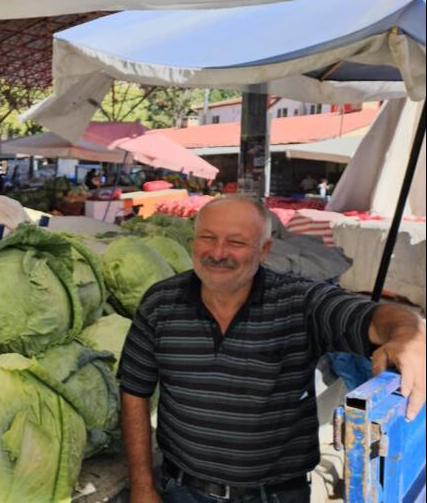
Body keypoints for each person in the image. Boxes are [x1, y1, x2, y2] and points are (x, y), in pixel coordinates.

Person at [118, 196, 426, 503]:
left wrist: (407, 333)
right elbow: (135, 390)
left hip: (274, 496)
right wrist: (142, 485)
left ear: (264, 250)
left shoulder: (300, 302)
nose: (218, 252)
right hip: (184, 491)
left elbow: (370, 316)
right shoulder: (160, 303)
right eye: (207, 238)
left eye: (236, 242)